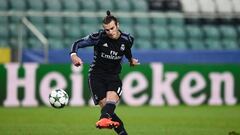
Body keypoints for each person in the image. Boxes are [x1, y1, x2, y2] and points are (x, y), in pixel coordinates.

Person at [70, 10, 139, 135]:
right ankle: (116, 127)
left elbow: (127, 50)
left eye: (112, 28)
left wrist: (130, 59)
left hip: (113, 76)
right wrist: (73, 55)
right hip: (96, 76)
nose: (110, 32)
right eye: (107, 30)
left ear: (118, 25)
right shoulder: (99, 37)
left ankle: (103, 119)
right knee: (106, 108)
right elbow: (77, 43)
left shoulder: (127, 39)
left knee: (111, 102)